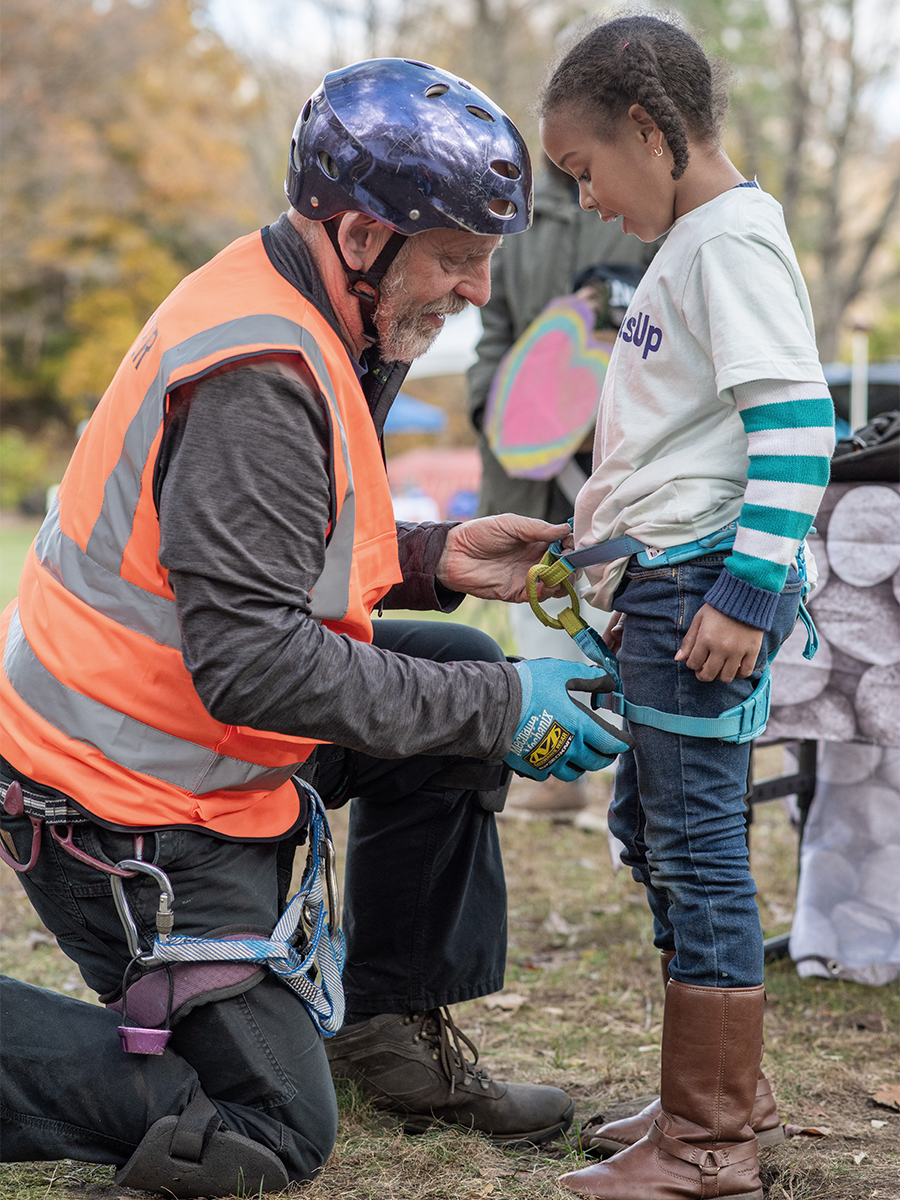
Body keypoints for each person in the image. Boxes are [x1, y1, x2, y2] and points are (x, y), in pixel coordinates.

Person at [0, 59, 634, 1199]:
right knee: (274, 1133)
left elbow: (272, 555)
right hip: (116, 801)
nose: (481, 292)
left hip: (179, 740)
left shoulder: (319, 308)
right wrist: (505, 714)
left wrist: (436, 561)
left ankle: (385, 1026)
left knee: (452, 664)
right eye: (457, 257)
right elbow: (252, 659)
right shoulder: (260, 365)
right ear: (357, 234)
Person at [537, 15, 835, 1199]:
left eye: (584, 170)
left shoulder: (729, 245)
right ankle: (717, 1091)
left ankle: (711, 1149)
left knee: (702, 853)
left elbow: (799, 429)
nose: (587, 199)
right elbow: (677, 441)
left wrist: (748, 592)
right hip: (655, 587)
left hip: (702, 597)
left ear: (650, 132)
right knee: (655, 833)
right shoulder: (688, 246)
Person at [468, 157, 659, 820]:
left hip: (625, 457)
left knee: (633, 608)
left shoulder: (644, 200)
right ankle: (555, 777)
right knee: (539, 599)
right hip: (526, 465)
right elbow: (493, 332)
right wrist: (503, 413)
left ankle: (645, 777)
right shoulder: (513, 212)